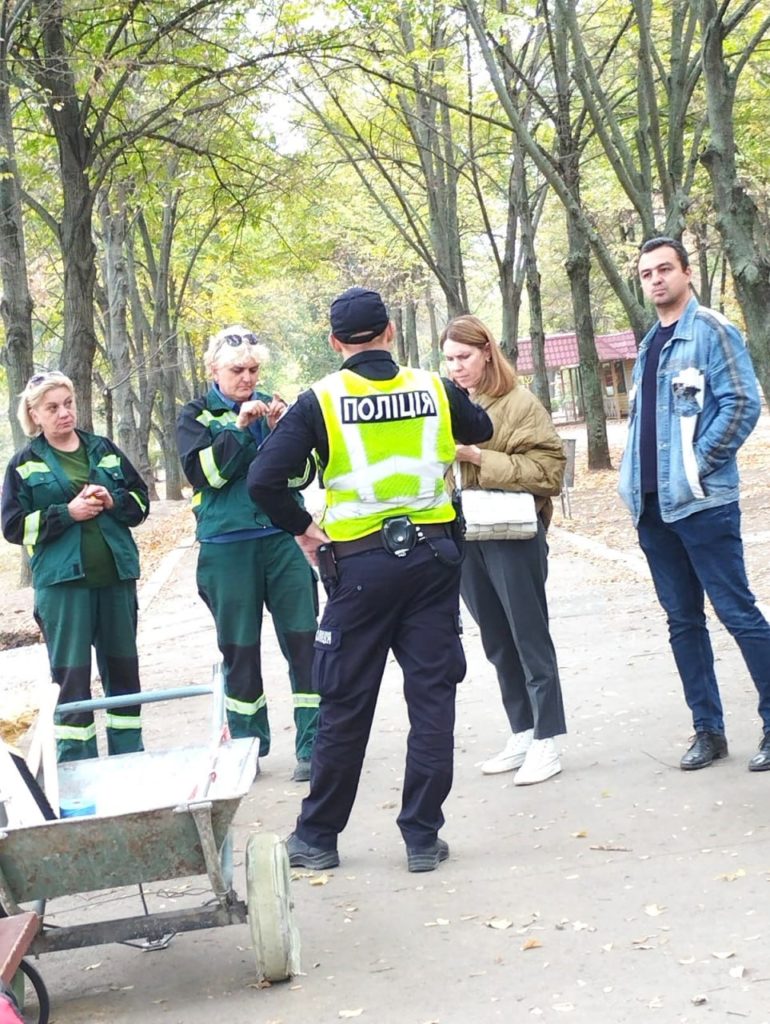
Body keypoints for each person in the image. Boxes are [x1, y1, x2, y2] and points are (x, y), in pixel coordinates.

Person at [247, 286, 493, 873]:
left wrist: (305, 528)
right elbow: (479, 429)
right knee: (432, 698)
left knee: (345, 702)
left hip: (358, 568)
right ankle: (421, 838)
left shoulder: (321, 400)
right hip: (433, 561)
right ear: (389, 333)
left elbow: (263, 479)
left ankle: (318, 838)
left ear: (335, 343)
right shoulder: (433, 387)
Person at [618, 236, 770, 772]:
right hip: (652, 509)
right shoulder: (648, 345)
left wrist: (693, 466)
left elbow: (743, 403)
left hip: (703, 505)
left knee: (737, 613)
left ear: (686, 273)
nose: (656, 279)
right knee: (683, 621)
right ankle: (708, 730)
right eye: (646, 273)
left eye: (665, 269)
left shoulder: (711, 331)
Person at [176, 325, 320, 782]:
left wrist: (280, 433)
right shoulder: (195, 416)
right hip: (227, 547)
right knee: (240, 651)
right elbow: (207, 477)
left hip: (281, 539)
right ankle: (246, 747)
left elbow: (302, 477)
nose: (247, 378)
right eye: (237, 370)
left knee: (305, 642)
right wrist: (239, 430)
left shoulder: (277, 406)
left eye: (254, 369)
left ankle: (315, 745)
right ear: (214, 369)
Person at [441, 315, 567, 785]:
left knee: (528, 635)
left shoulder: (520, 402)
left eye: (465, 357)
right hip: (467, 534)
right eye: (450, 359)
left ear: (487, 352)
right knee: (495, 639)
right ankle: (522, 729)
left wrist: (477, 457)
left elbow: (550, 472)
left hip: (514, 537)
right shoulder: (451, 402)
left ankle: (547, 739)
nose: (457, 367)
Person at [1, 371, 149, 762]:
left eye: (68, 404)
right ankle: (76, 763)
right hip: (63, 588)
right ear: (34, 414)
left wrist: (114, 500)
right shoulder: (24, 464)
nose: (64, 413)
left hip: (116, 580)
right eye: (52, 408)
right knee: (71, 678)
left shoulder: (104, 449)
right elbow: (14, 527)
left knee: (123, 671)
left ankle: (129, 757)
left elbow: (140, 502)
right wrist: (66, 513)